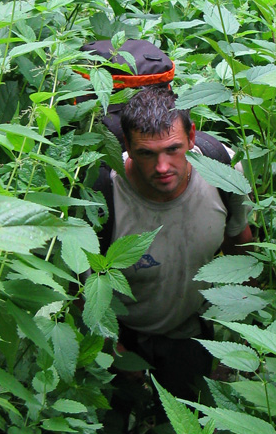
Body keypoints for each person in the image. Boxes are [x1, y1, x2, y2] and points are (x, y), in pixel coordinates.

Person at [105, 86, 253, 401]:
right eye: (146, 153)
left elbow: (240, 241)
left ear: (191, 137)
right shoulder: (104, 192)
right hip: (121, 337)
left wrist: (246, 316)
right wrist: (111, 347)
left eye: (173, 149)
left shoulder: (221, 168)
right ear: (128, 147)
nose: (162, 167)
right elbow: (78, 283)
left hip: (192, 332)